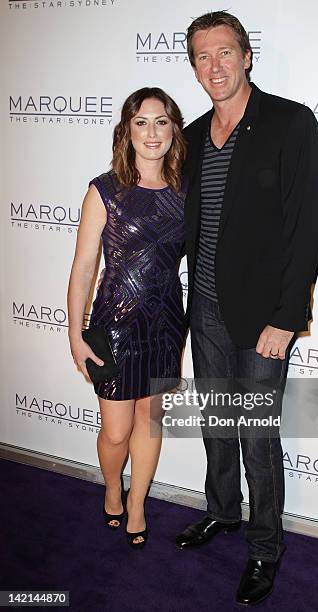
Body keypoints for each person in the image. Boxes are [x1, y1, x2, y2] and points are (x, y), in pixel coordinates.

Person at [175, 11, 318, 605]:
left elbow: (306, 223)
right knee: (217, 425)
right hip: (205, 309)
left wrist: (288, 317)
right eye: (201, 57)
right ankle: (223, 513)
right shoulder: (189, 136)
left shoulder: (289, 123)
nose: (213, 66)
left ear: (246, 56)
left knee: (258, 437)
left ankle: (266, 548)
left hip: (266, 318)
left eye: (223, 53)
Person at [67, 87, 187, 549]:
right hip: (113, 327)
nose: (152, 132)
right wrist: (76, 335)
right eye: (142, 122)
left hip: (165, 326)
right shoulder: (105, 189)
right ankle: (113, 486)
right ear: (127, 131)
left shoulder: (184, 190)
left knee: (148, 422)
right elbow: (83, 268)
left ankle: (137, 503)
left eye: (161, 121)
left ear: (173, 129)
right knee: (115, 430)